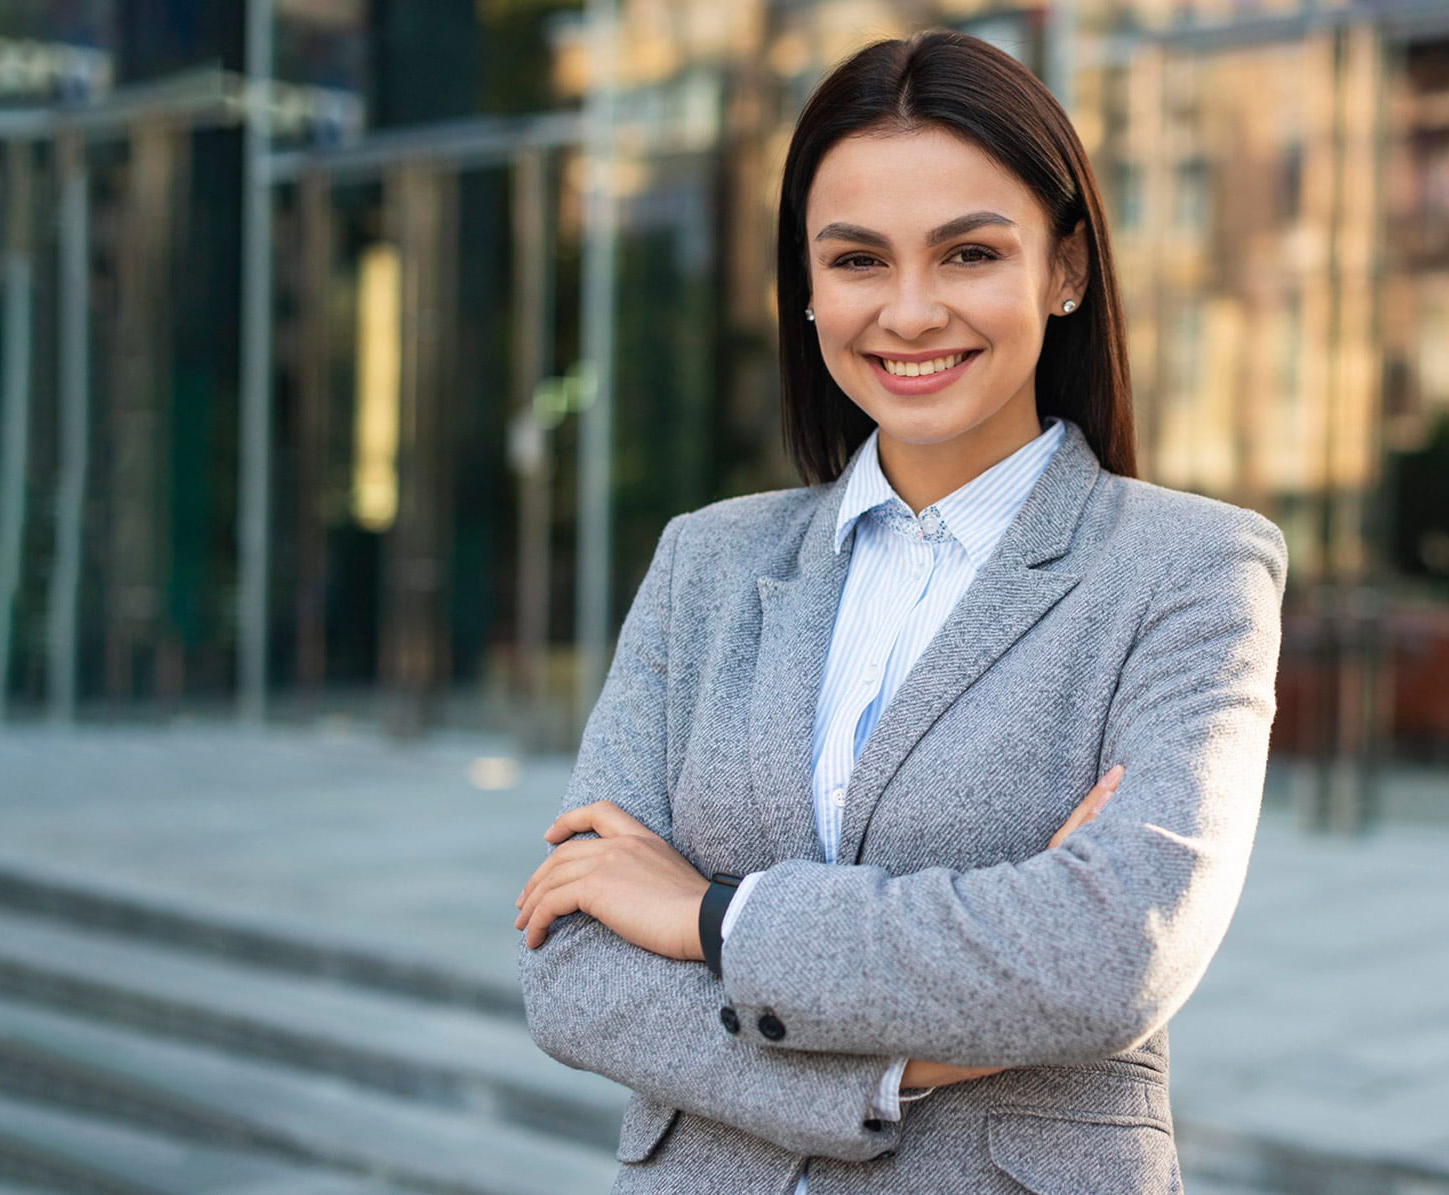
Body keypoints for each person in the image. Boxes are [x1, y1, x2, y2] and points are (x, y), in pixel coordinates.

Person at [513, 27, 1287, 1193]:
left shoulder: (1192, 568)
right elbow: (575, 970)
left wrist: (712, 917)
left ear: (1064, 269)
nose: (912, 312)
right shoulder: (704, 564)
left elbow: (1109, 949)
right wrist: (896, 1063)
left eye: (970, 252)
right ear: (808, 290)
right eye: (859, 260)